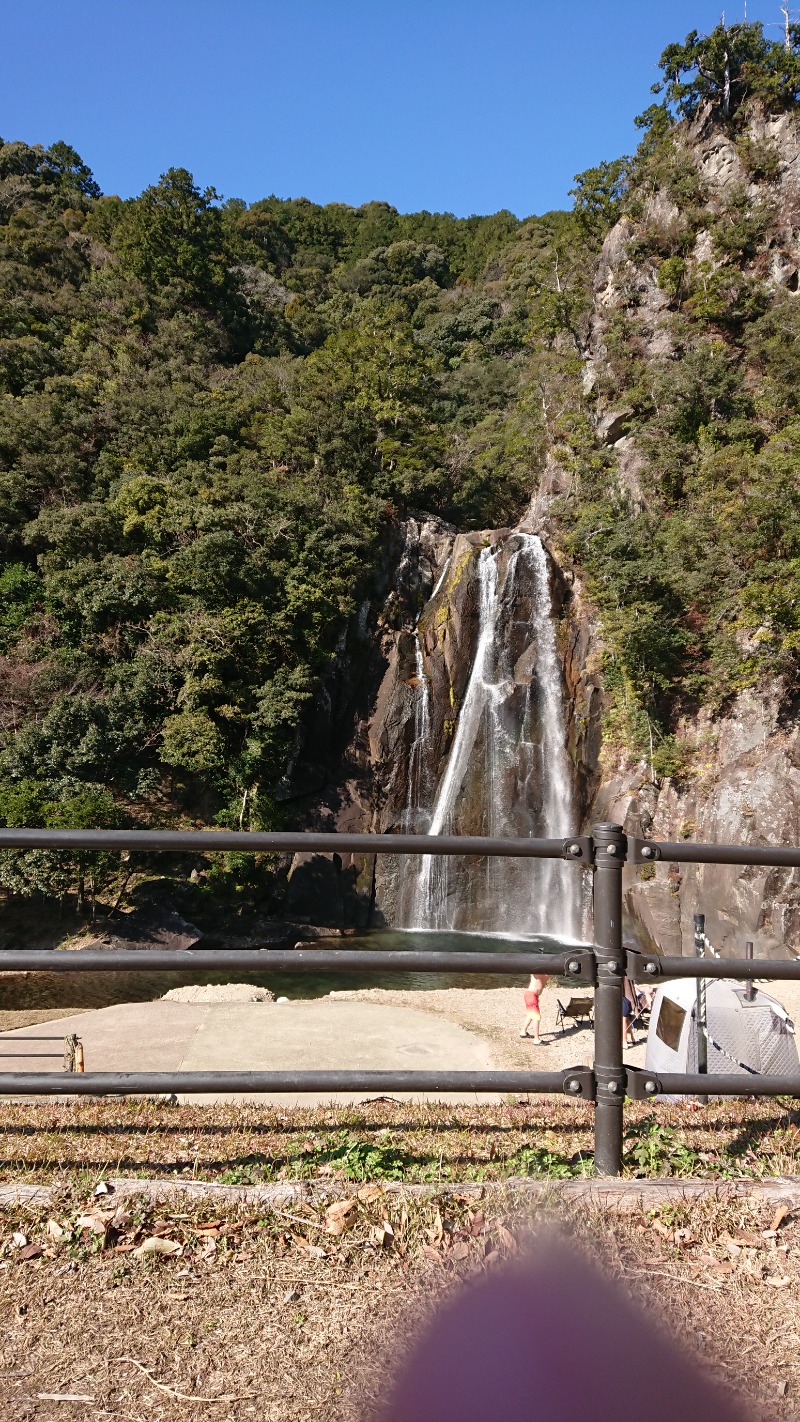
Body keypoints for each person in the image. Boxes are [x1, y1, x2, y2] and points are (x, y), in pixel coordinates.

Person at [520, 972, 548, 1043]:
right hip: (531, 995)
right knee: (536, 1017)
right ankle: (536, 1040)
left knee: (531, 1014)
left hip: (532, 995)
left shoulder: (548, 973)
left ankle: (523, 1032)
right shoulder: (536, 972)